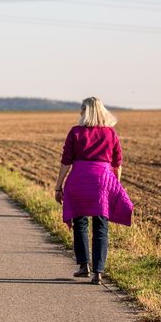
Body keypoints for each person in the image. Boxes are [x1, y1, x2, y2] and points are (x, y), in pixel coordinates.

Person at [54, 97, 133, 285]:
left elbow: (66, 161)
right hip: (102, 181)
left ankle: (83, 266)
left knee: (80, 222)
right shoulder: (110, 133)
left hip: (79, 180)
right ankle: (98, 272)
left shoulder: (76, 132)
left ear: (84, 111)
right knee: (101, 226)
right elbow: (117, 163)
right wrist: (115, 184)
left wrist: (59, 186)